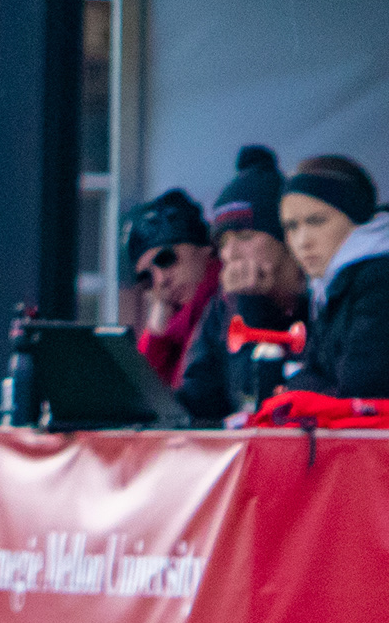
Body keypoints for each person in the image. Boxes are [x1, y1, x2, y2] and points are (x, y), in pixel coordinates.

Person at [192, 146, 310, 420]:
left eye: (244, 236)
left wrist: (252, 304)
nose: (229, 254)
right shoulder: (224, 305)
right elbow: (200, 398)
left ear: (286, 239)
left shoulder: (327, 301)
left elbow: (269, 405)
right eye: (222, 241)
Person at [281, 152, 389, 400]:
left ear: (356, 219)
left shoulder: (379, 281)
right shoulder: (329, 287)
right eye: (291, 227)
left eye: (317, 221)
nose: (302, 241)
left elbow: (360, 387)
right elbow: (313, 374)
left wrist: (302, 390)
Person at [119, 190, 223, 402]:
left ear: (205, 249)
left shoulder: (225, 307)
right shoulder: (175, 328)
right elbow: (144, 400)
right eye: (147, 277)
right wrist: (157, 332)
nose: (160, 281)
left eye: (166, 260)